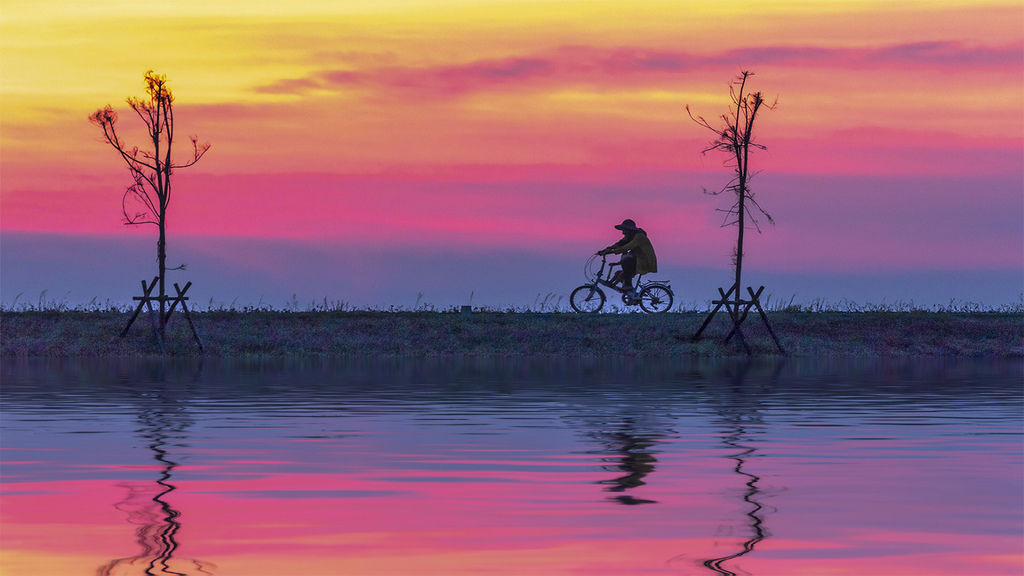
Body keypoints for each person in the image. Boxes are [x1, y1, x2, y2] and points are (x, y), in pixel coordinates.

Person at [598, 219, 658, 294]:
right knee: (620, 271)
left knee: (626, 259)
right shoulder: (630, 236)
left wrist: (613, 251)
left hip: (644, 260)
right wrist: (606, 250)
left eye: (625, 230)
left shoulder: (639, 236)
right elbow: (620, 243)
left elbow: (627, 246)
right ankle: (626, 286)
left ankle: (628, 285)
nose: (623, 233)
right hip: (637, 259)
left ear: (629, 230)